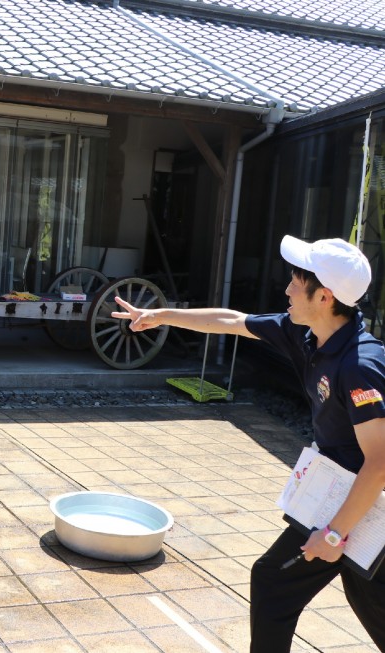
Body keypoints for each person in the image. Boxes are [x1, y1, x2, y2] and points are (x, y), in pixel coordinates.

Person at [112, 235, 385, 652]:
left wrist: (333, 534)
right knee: (304, 587)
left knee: (280, 582)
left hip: (366, 506)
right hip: (337, 497)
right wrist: (161, 315)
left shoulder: (359, 365)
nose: (288, 289)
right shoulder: (308, 334)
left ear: (325, 296)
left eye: (297, 281)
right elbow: (231, 320)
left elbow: (380, 464)